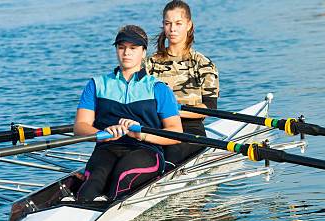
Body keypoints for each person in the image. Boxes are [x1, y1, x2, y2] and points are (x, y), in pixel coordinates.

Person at [74, 25, 182, 202]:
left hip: (145, 150)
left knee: (123, 177)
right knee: (93, 183)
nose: (126, 53)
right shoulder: (96, 84)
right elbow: (80, 127)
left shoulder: (158, 88)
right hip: (106, 148)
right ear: (116, 50)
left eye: (133, 48)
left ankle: (108, 210)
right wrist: (101, 135)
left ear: (143, 52)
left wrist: (142, 134)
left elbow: (176, 133)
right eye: (122, 47)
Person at [148, 0, 219, 168]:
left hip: (190, 131)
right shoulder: (149, 64)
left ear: (189, 25)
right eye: (168, 23)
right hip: (156, 128)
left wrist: (173, 111)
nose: (172, 29)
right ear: (163, 26)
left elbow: (210, 107)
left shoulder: (203, 64)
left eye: (178, 23)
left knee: (170, 152)